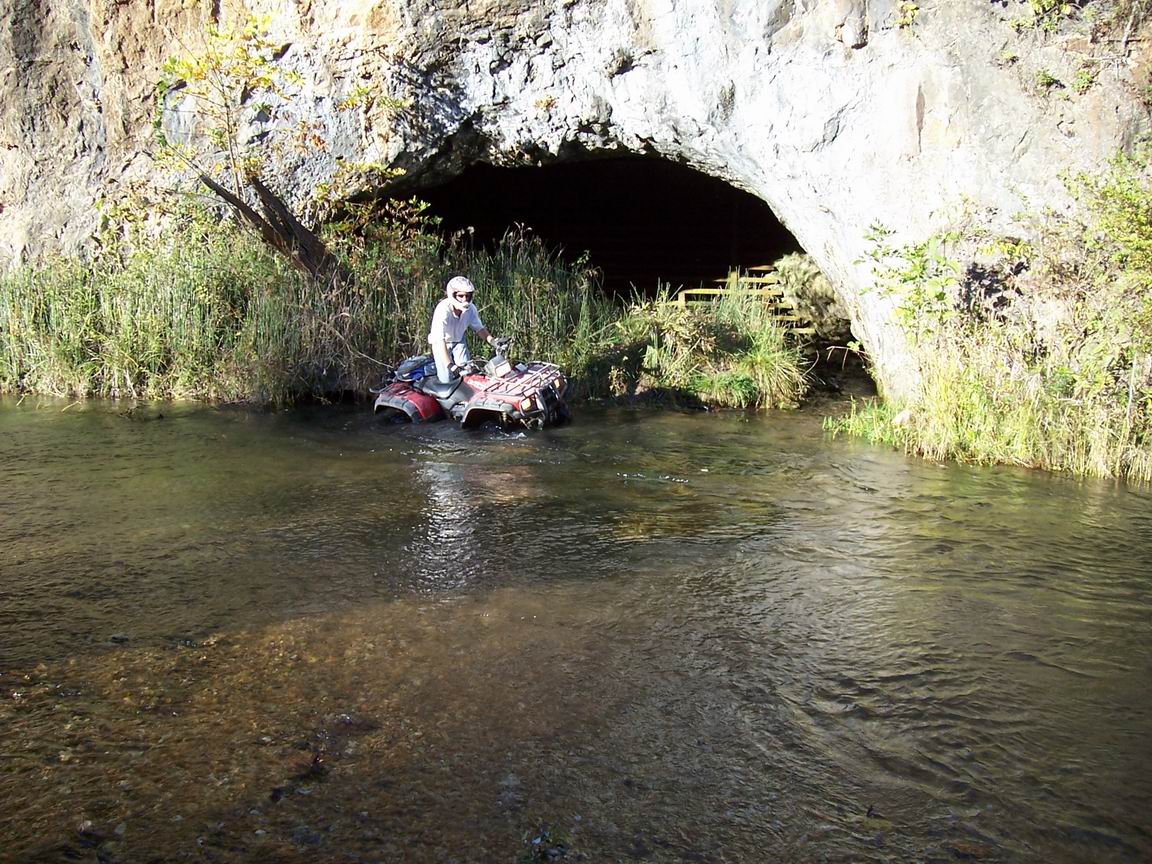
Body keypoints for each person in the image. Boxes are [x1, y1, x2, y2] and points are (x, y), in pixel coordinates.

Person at [427, 276, 502, 383]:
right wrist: (449, 365)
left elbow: (479, 329)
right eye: (460, 296)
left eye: (467, 296)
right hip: (441, 343)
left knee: (467, 374)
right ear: (452, 295)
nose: (464, 299)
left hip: (459, 340)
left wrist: (494, 342)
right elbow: (439, 340)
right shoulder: (443, 310)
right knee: (446, 379)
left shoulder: (471, 309)